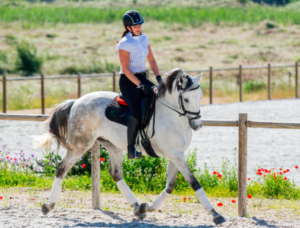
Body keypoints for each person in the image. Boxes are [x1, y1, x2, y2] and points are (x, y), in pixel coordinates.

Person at [116, 9, 162, 159]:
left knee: (159, 97)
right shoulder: (124, 43)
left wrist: (159, 78)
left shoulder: (144, 39)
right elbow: (126, 69)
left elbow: (152, 60)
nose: (139, 28)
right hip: (128, 81)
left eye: (140, 25)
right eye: (135, 26)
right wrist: (140, 84)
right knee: (137, 112)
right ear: (128, 27)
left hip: (142, 77)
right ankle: (131, 149)